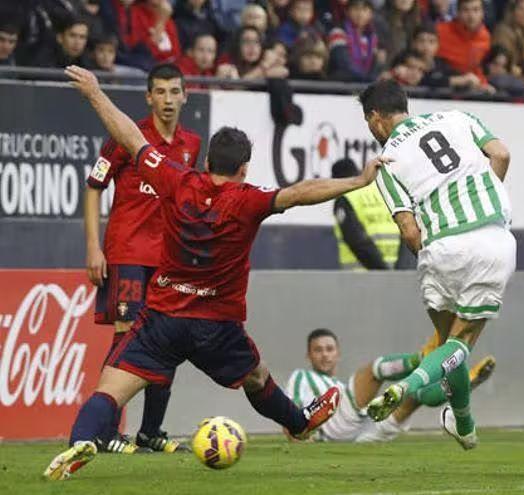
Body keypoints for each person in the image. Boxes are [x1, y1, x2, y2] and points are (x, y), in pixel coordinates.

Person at [44, 65, 383, 480]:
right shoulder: (249, 200)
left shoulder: (177, 180)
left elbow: (130, 137)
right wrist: (358, 180)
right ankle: (299, 424)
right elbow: (299, 193)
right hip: (217, 327)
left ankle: (80, 440)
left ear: (206, 161)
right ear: (244, 169)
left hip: (163, 318)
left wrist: (95, 93)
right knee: (257, 378)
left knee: (109, 392)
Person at [357, 80, 516, 451]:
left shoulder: (386, 163)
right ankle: (408, 386)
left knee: (448, 345)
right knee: (460, 345)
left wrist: (433, 251)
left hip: (440, 247)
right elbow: (502, 154)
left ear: (375, 118)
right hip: (490, 237)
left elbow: (409, 230)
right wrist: (486, 198)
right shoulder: (457, 118)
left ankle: (462, 422)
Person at [83, 63, 197, 455]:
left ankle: (150, 432)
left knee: (167, 341)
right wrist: (94, 247)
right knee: (127, 336)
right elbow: (94, 186)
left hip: (168, 260)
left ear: (185, 96)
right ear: (149, 97)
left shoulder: (190, 145)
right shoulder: (125, 136)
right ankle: (103, 430)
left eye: (174, 92)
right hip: (128, 252)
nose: (168, 100)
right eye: (160, 92)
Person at [283, 328, 496, 442]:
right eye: (318, 350)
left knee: (414, 397)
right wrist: (296, 438)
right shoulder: (301, 377)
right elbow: (289, 412)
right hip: (334, 428)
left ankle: (463, 383)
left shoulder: (339, 383)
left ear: (338, 353)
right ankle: (424, 358)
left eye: (329, 349)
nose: (324, 355)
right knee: (372, 371)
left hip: (367, 433)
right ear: (308, 355)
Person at [331, 158, 400, 270]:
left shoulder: (346, 198)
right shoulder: (381, 192)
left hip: (362, 278)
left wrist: (381, 272)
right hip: (395, 274)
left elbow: (357, 240)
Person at [436, 0, 492, 86]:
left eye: (476, 10)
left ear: (482, 13)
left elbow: (479, 68)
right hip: (442, 85)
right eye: (466, 10)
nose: (471, 16)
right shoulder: (440, 31)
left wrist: (483, 84)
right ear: (458, 12)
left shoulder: (486, 37)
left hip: (472, 88)